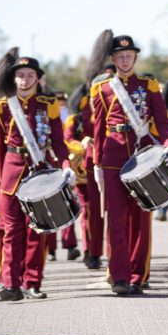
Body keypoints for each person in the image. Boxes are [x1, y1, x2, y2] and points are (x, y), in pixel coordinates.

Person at [90, 34, 168, 295]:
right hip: (114, 158)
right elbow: (97, 128)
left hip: (143, 154)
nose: (125, 60)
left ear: (135, 58)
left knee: (141, 218)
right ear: (113, 59)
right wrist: (96, 162)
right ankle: (120, 277)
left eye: (129, 56)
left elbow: (161, 120)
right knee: (116, 219)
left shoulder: (149, 85)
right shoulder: (102, 88)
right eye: (120, 56)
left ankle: (139, 274)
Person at [0, 51, 72, 301]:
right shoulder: (1, 106)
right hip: (11, 174)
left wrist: (65, 164)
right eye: (20, 75)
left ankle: (32, 281)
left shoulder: (48, 105)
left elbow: (58, 141)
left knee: (37, 231)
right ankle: (10, 283)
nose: (24, 79)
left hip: (40, 172)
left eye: (30, 75)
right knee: (12, 231)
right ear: (14, 79)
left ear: (38, 79)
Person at [63, 83, 99, 267]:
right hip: (83, 170)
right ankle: (89, 250)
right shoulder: (74, 119)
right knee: (87, 211)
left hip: (102, 166)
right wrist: (82, 144)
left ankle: (98, 249)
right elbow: (67, 140)